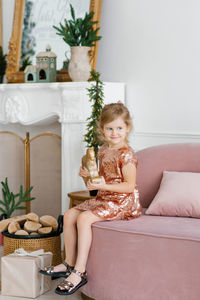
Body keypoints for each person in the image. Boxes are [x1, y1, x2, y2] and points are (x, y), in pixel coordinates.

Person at [40, 102, 142, 296]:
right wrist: (86, 176)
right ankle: (68, 263)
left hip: (123, 201)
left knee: (84, 218)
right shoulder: (103, 150)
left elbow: (129, 186)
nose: (114, 133)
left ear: (127, 128)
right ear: (102, 129)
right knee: (70, 214)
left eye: (119, 128)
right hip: (105, 197)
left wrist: (101, 186)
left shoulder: (127, 155)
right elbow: (97, 181)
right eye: (110, 128)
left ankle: (79, 272)